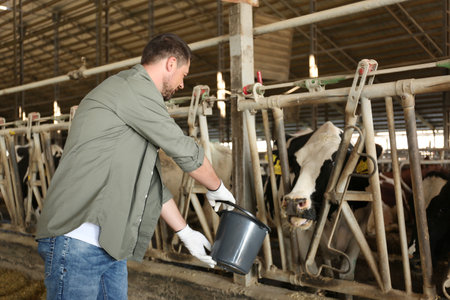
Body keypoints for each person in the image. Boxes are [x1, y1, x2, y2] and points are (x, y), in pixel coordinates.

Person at [36, 33, 235, 300]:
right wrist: (217, 187)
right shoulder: (132, 88)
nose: (181, 84)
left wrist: (185, 232)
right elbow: (182, 148)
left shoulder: (136, 102)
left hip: (109, 245)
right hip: (76, 241)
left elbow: (151, 183)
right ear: (171, 63)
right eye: (184, 75)